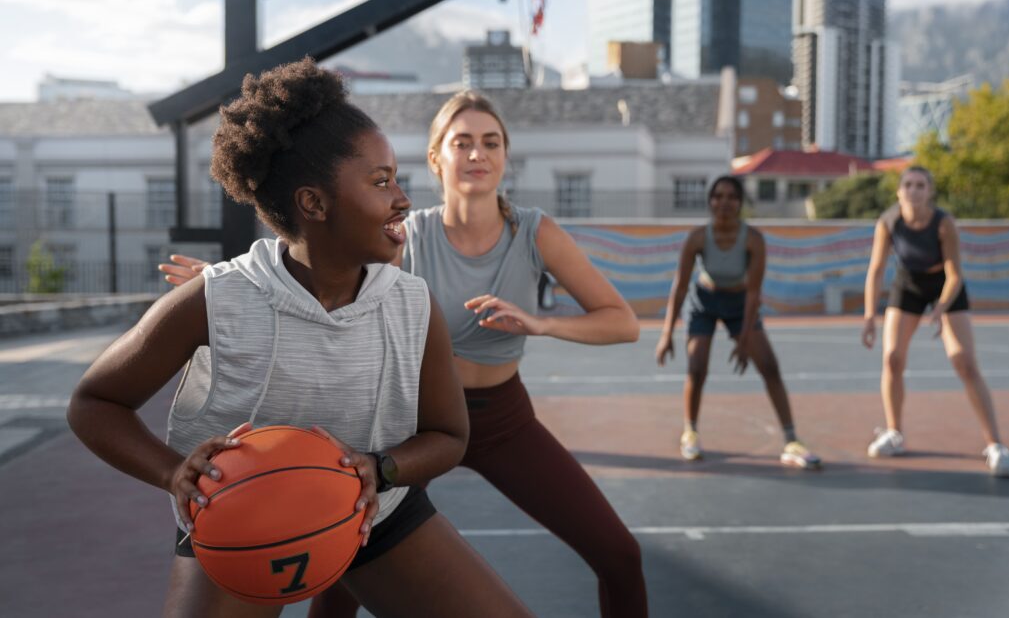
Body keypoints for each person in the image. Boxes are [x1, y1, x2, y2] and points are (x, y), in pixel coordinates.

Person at [69, 58, 535, 618]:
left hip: (373, 513)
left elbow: (448, 436)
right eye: (380, 181)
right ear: (313, 203)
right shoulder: (217, 298)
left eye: (397, 179)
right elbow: (93, 403)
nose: (403, 199)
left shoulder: (413, 304)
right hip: (238, 518)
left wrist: (378, 469)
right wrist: (173, 474)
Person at [162, 90, 649, 618]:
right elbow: (318, 255)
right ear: (437, 158)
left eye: (491, 142)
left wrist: (539, 322)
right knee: (346, 549)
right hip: (409, 419)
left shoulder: (533, 232)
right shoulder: (401, 234)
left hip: (501, 417)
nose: (477, 154)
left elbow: (621, 322)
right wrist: (229, 282)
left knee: (619, 553)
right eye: (462, 142)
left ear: (506, 155)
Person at [654, 175, 822, 470]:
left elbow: (754, 292)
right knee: (697, 366)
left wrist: (744, 339)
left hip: (740, 303)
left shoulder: (753, 239)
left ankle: (791, 439)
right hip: (703, 302)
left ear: (741, 203)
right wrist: (666, 333)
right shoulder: (696, 237)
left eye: (732, 196)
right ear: (710, 202)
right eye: (718, 196)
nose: (724, 202)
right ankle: (690, 432)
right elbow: (679, 287)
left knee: (769, 366)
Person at [861, 165, 1009, 477]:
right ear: (899, 190)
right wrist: (868, 315)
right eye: (908, 184)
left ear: (929, 191)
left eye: (920, 185)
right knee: (892, 359)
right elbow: (876, 270)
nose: (914, 190)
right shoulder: (888, 222)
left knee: (964, 361)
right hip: (908, 285)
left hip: (945, 287)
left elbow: (955, 273)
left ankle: (995, 444)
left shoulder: (943, 223)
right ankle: (894, 433)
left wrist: (940, 309)